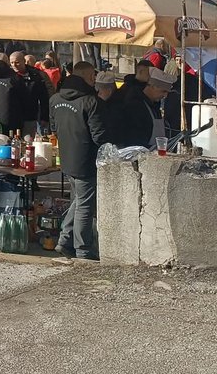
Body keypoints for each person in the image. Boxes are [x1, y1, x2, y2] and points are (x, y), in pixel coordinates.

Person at [51, 61, 108, 262]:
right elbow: (99, 135)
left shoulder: (55, 99)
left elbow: (53, 127)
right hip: (86, 158)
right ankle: (82, 248)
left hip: (67, 156)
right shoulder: (91, 101)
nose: (95, 79)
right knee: (84, 204)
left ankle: (65, 240)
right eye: (93, 75)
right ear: (88, 77)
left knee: (79, 200)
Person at [117, 68, 174, 148]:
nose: (165, 96)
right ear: (153, 87)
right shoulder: (135, 105)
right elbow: (134, 136)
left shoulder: (154, 105)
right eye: (163, 91)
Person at [10, 51, 52, 131]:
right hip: (13, 116)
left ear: (23, 61)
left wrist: (44, 117)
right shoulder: (9, 75)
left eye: (17, 62)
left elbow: (44, 97)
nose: (14, 65)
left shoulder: (36, 75)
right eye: (11, 63)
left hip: (30, 115)